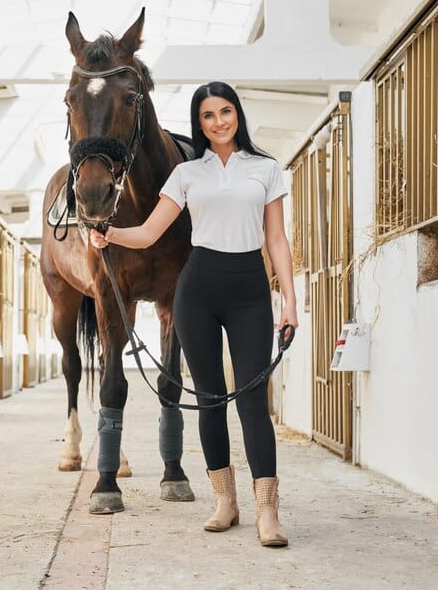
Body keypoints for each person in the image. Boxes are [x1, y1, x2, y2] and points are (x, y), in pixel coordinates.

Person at [88, 81, 298, 547]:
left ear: (237, 114)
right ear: (198, 124)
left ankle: (268, 511)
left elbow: (278, 240)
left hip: (249, 290)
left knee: (252, 402)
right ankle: (225, 501)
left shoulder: (265, 169)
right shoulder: (187, 174)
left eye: (225, 111)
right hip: (197, 289)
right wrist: (109, 235)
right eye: (208, 115)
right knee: (208, 400)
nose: (219, 121)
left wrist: (289, 299)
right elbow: (146, 232)